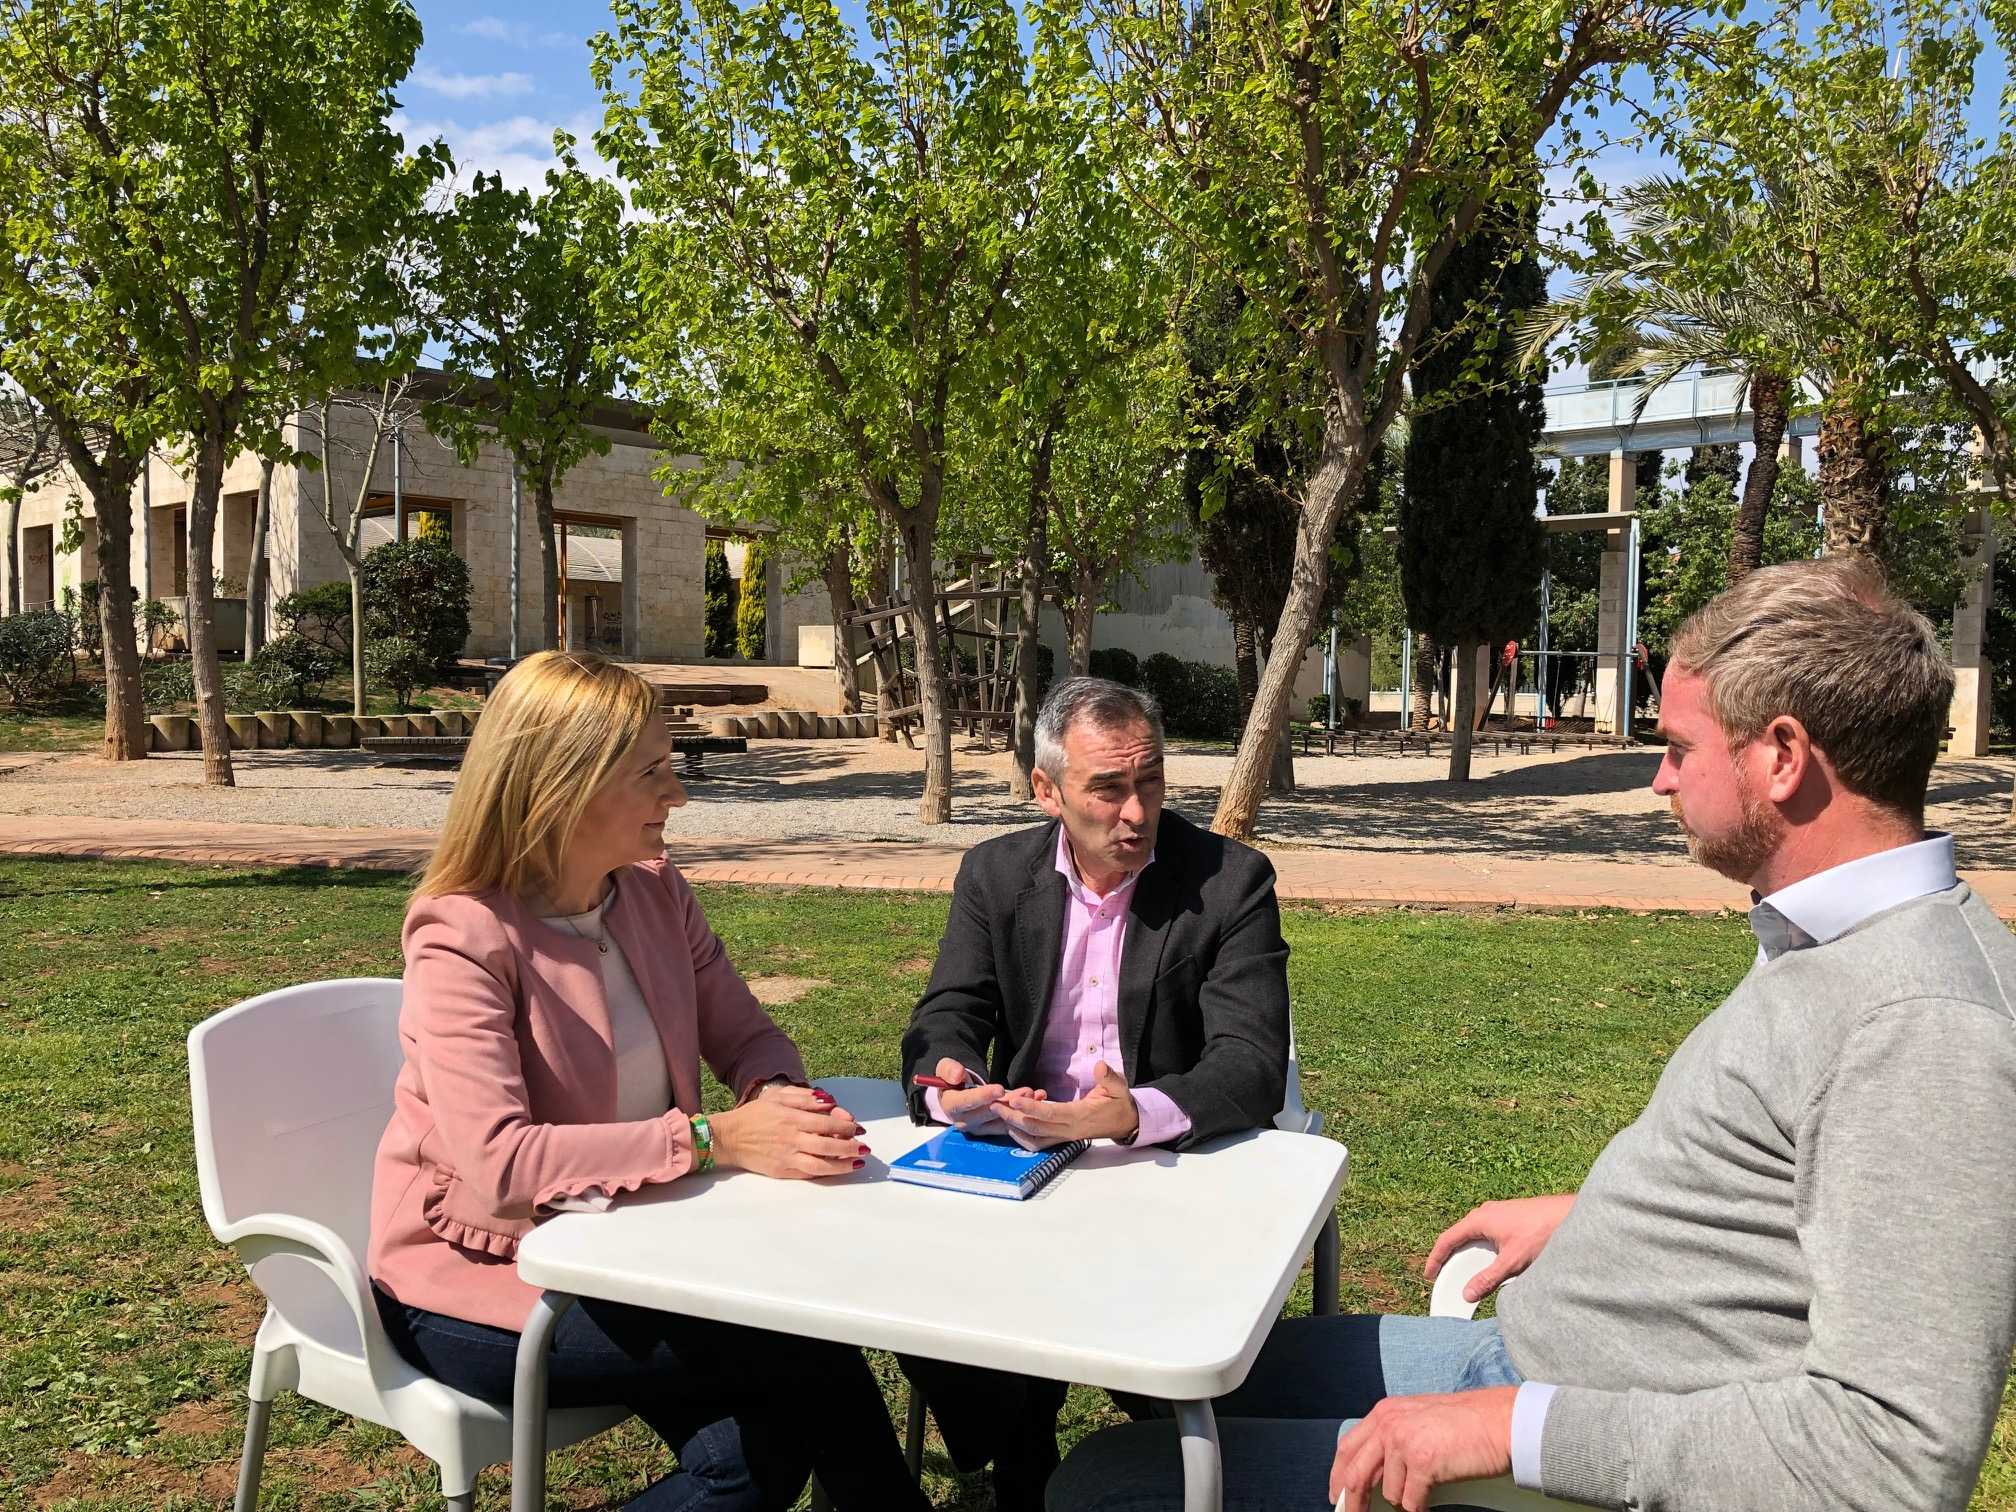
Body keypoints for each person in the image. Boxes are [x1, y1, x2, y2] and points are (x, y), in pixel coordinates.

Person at [1049, 556, 2016, 1512]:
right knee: (1176, 1373)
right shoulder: (1827, 940)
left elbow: (1892, 1458)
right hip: (1536, 1352)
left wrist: (1517, 1433)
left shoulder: (1925, 1025)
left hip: (1569, 1421)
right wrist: (1591, 1217)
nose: (1660, 781)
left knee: (1107, 1485)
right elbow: (1779, 1200)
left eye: (1680, 748)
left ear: (1782, 757)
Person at [367, 651, 931, 1512]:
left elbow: (744, 1032)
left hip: (633, 1249)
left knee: (760, 1452)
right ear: (561, 787)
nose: (678, 794)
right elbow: (500, 1164)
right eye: (651, 773)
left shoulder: (654, 892)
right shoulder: (462, 936)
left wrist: (775, 1093)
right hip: (481, 1281)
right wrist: (712, 1139)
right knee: (803, 1351)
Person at [899, 675, 1292, 1510]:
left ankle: (1139, 1445)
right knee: (916, 1288)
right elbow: (949, 1014)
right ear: (1047, 792)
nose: (1136, 812)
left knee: (1170, 1367)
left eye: (1151, 781)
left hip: (1164, 1176)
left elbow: (1250, 1062)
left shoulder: (1229, 881)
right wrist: (950, 1085)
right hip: (1024, 1165)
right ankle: (1020, 1454)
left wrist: (1134, 1114)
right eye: (1107, 789)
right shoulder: (995, 875)